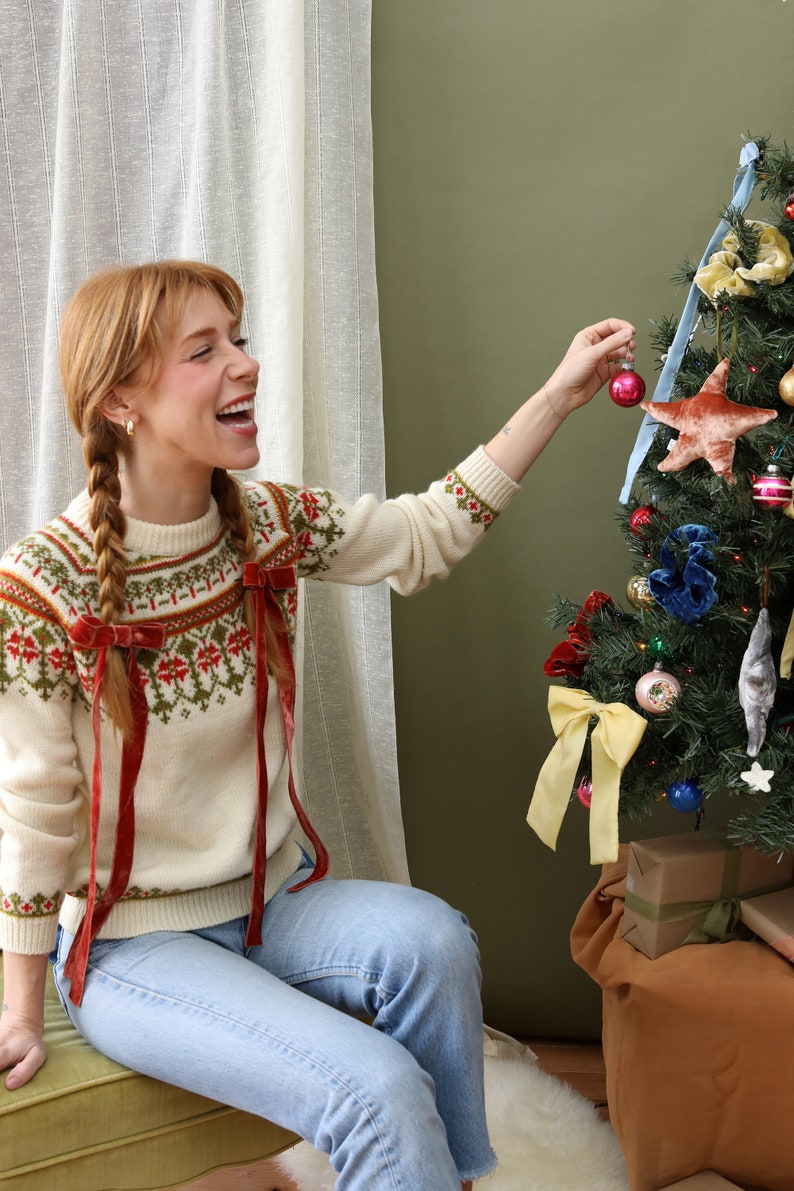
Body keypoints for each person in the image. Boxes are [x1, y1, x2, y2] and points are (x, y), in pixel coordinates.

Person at [0, 260, 635, 1190]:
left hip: (271, 903)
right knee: (373, 1087)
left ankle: (443, 1178)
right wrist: (19, 1005)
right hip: (131, 946)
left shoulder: (265, 524)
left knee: (432, 939)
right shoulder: (41, 586)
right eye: (203, 350)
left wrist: (556, 397)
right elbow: (35, 810)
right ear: (122, 401)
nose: (245, 364)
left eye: (240, 338)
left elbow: (425, 535)